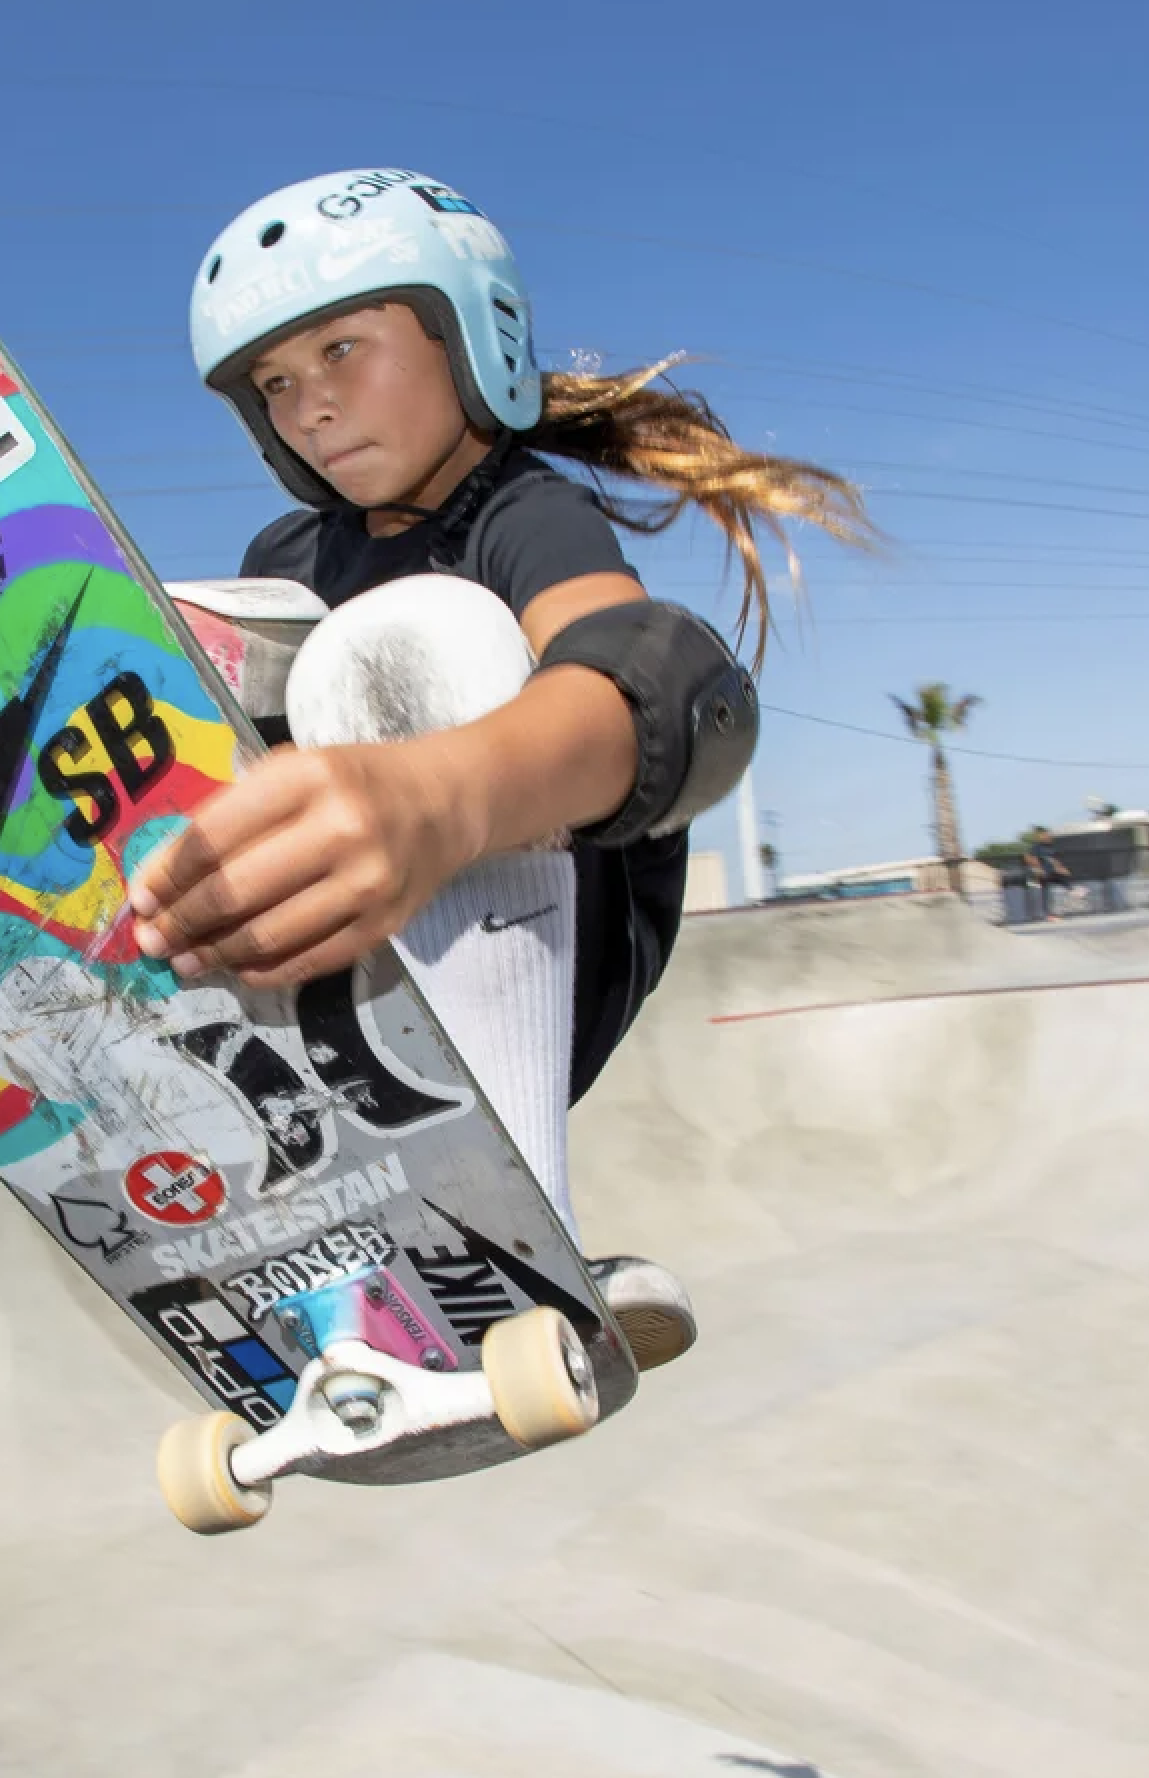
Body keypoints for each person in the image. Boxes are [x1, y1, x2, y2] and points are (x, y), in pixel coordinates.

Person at [129, 169, 875, 1371]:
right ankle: (324, 1247)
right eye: (277, 385)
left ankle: (520, 1235)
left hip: (547, 932)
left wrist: (436, 797)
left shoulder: (520, 515)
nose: (311, 406)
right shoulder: (285, 550)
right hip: (352, 976)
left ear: (471, 336)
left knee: (420, 636)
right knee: (193, 645)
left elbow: (655, 691)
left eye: (343, 351)